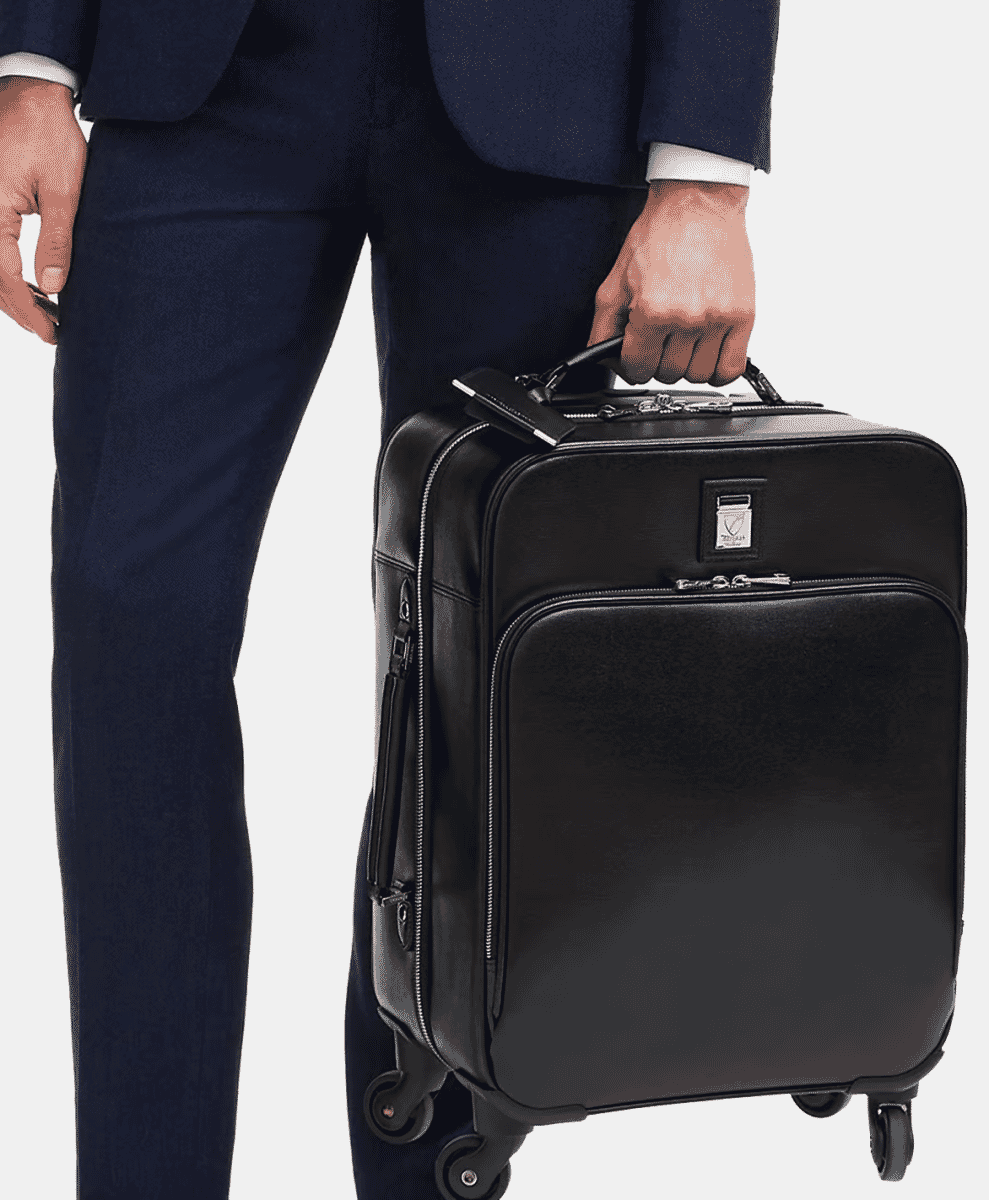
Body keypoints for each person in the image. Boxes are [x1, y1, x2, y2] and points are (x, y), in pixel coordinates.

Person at [0, 2, 779, 1197]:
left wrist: (703, 176)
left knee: (478, 680)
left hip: (545, 87)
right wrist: (31, 65)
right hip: (201, 76)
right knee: (128, 628)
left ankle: (431, 1177)